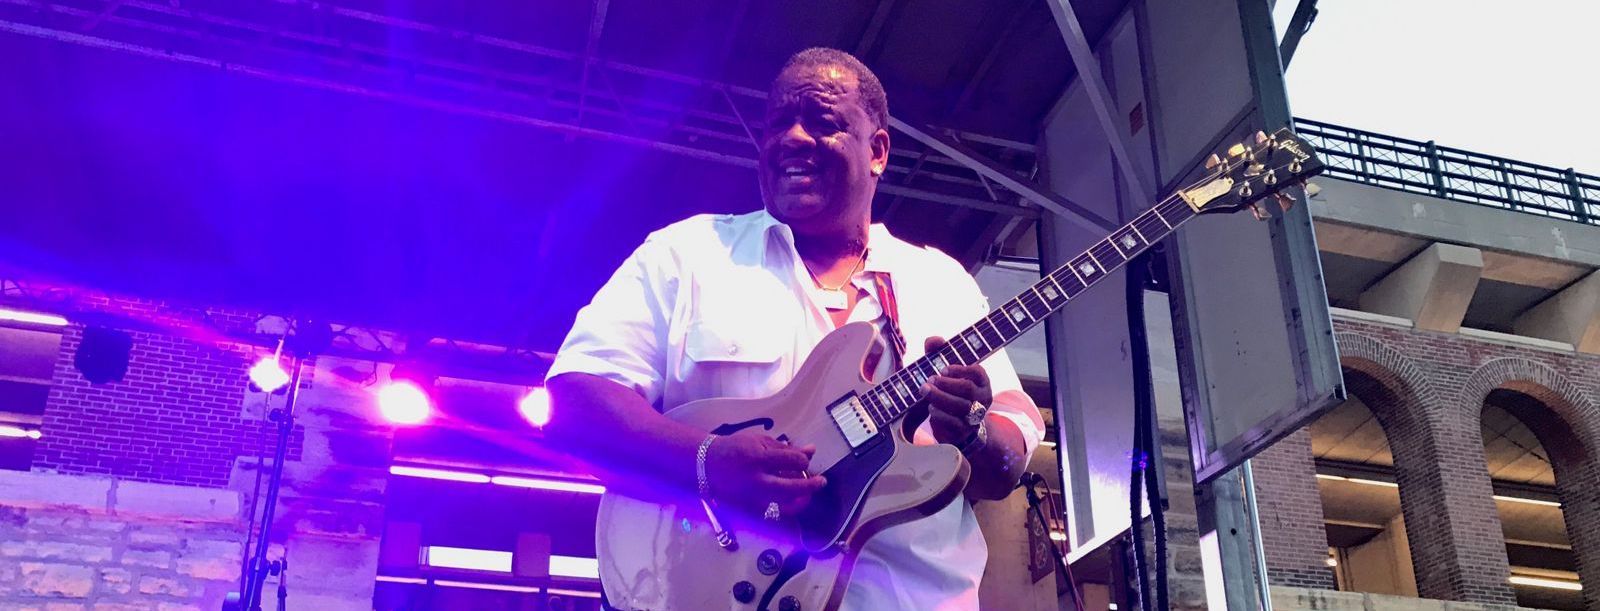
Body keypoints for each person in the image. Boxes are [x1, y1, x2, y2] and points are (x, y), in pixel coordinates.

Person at [544, 47, 1044, 610]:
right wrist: (708, 461)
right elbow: (575, 408)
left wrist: (973, 429)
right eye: (778, 122)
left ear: (877, 151)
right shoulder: (687, 255)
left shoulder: (940, 283)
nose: (792, 138)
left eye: (823, 123)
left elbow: (1003, 457)